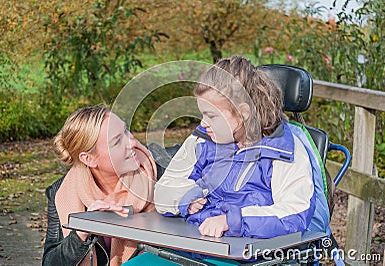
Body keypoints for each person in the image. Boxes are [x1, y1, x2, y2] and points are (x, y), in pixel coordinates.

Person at [154, 55, 329, 241]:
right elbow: (163, 190)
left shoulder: (284, 150)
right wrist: (184, 199)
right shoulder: (202, 140)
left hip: (247, 253)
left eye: (211, 116)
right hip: (194, 242)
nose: (203, 123)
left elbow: (295, 212)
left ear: (244, 113)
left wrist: (232, 221)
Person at [42, 105, 156, 266]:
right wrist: (81, 232)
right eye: (117, 141)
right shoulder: (61, 193)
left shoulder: (161, 173)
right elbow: (50, 262)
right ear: (89, 159)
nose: (132, 142)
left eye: (125, 131)